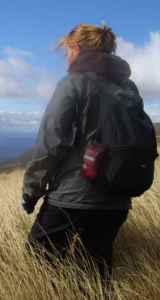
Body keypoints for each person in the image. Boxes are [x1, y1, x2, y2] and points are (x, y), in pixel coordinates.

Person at [21, 23, 156, 282]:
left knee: (40, 263)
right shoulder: (129, 88)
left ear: (75, 48)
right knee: (94, 273)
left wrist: (31, 191)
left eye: (66, 52)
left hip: (72, 198)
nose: (66, 59)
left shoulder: (73, 83)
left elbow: (50, 143)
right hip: (117, 199)